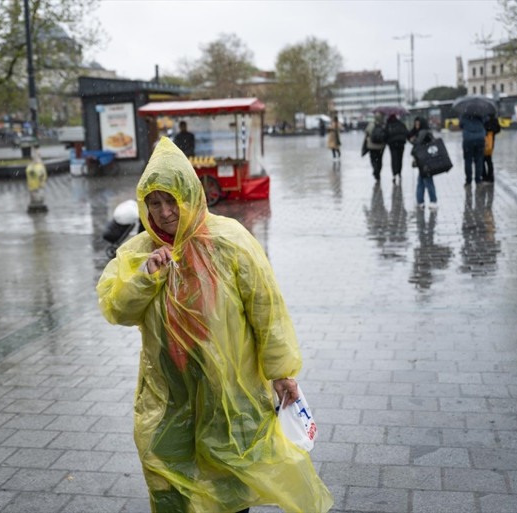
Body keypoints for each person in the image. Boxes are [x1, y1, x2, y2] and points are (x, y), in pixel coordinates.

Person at [97, 138, 334, 513]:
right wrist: (147, 276)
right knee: (167, 478)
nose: (165, 213)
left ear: (190, 195)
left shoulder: (230, 241)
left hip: (229, 388)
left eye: (172, 200)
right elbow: (117, 310)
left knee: (229, 479)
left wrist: (281, 371)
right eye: (154, 203)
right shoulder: (140, 252)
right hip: (169, 392)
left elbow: (266, 309)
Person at [408, 116, 438, 209]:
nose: (416, 126)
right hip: (424, 160)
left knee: (427, 181)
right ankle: (420, 201)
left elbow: (418, 143)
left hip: (424, 161)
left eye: (418, 124)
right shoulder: (425, 131)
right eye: (415, 124)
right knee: (421, 181)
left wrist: (412, 140)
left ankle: (432, 201)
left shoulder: (423, 132)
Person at [459, 112, 486, 186]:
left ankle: (468, 180)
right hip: (480, 139)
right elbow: (485, 120)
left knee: (468, 160)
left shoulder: (464, 113)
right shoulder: (481, 112)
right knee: (479, 160)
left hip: (468, 139)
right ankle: (478, 180)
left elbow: (461, 124)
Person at [385, 114, 408, 183]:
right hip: (401, 144)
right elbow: (406, 132)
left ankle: (394, 174)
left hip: (392, 144)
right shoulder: (401, 124)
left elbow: (385, 134)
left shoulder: (388, 124)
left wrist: (387, 141)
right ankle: (399, 172)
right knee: (400, 158)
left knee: (394, 159)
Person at [364, 112, 387, 181]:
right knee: (380, 160)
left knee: (373, 159)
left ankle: (375, 169)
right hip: (381, 146)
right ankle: (377, 172)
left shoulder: (371, 124)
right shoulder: (384, 125)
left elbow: (366, 132)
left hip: (371, 146)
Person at [482, 114, 501, 183]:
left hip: (486, 140)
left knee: (484, 159)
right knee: (487, 159)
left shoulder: (482, 116)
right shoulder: (493, 117)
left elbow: (498, 129)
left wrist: (488, 131)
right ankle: (489, 176)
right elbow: (498, 129)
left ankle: (486, 176)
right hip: (489, 140)